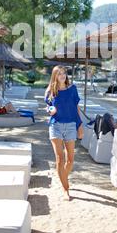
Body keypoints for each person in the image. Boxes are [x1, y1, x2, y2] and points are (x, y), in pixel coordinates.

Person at [44, 65, 83, 201]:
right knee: (60, 159)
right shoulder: (50, 91)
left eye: (64, 73)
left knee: (70, 160)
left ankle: (62, 177)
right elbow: (48, 108)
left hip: (71, 125)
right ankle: (66, 189)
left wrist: (80, 125)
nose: (62, 76)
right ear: (55, 75)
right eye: (59, 73)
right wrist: (50, 111)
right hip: (56, 126)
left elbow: (76, 108)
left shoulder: (73, 89)